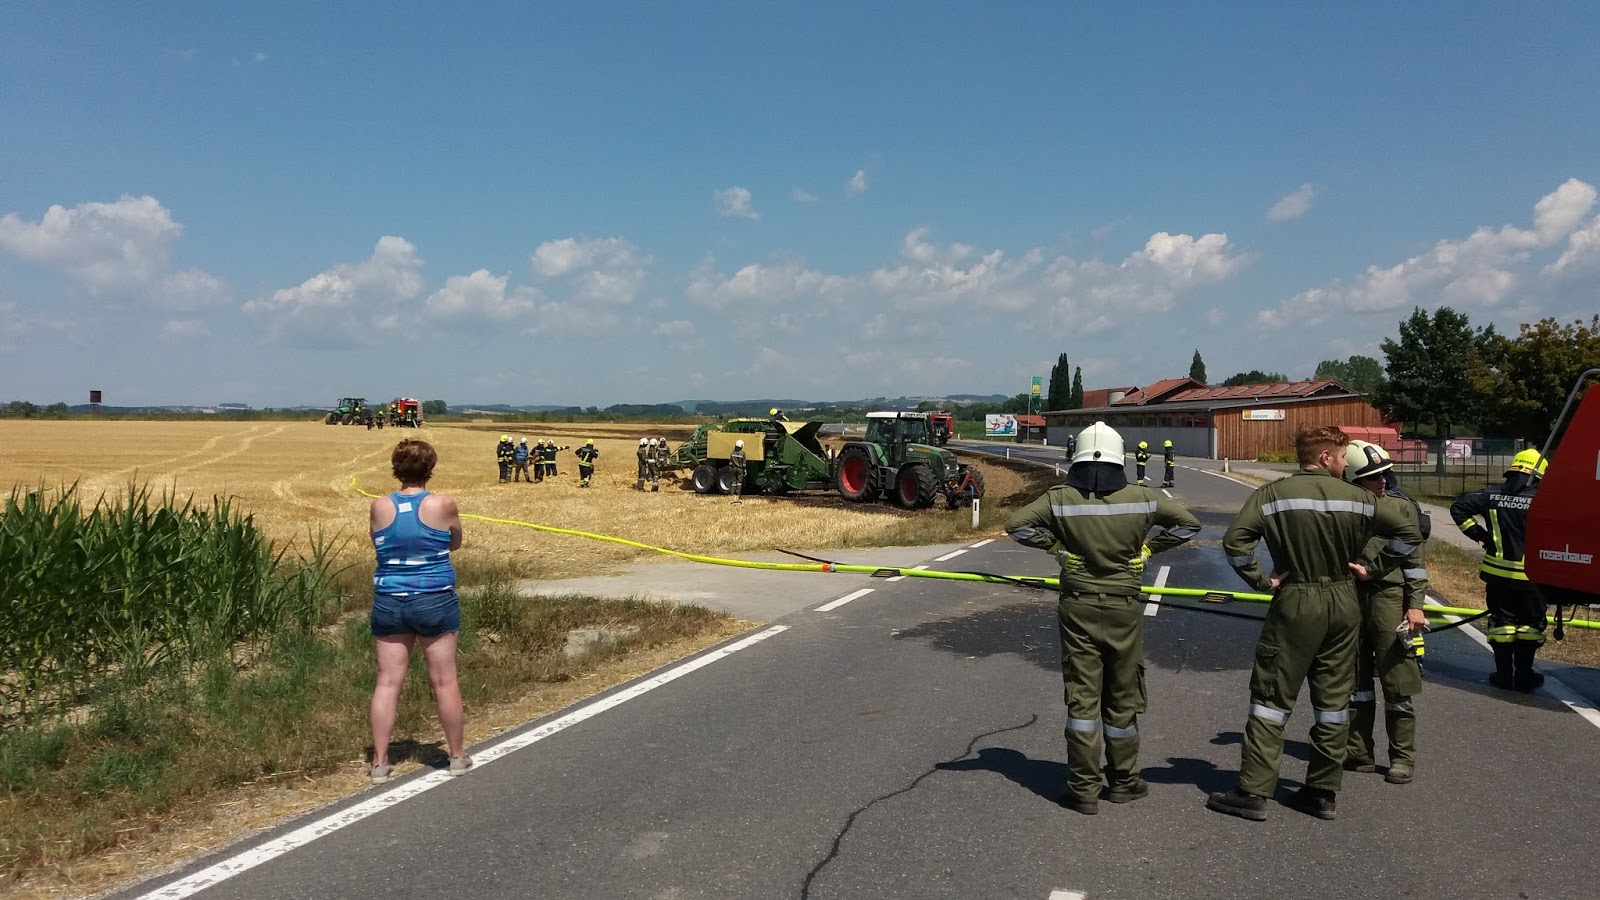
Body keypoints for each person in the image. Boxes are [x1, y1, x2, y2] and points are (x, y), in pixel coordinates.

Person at [1206, 426, 1427, 823]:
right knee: (1333, 702)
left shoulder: (1271, 495)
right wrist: (1374, 570)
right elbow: (1411, 534)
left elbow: (1235, 544)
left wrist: (1262, 580)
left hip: (1297, 600)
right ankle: (1322, 791)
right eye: (1343, 457)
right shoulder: (1362, 499)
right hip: (1345, 603)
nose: (1345, 464)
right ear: (1326, 457)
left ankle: (1254, 791)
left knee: (1272, 699)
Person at [1004, 421, 1201, 815]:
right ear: (1119, 456)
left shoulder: (1059, 499)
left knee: (1083, 696)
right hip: (1124, 607)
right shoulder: (1143, 499)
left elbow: (1016, 526)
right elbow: (1188, 525)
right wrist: (1147, 552)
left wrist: (1058, 550)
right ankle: (1125, 781)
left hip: (1078, 606)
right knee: (1122, 694)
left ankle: (1083, 789)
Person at [368, 439, 471, 782]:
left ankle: (380, 762)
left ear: (396, 469)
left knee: (387, 682)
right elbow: (455, 542)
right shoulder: (444, 504)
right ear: (430, 469)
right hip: (434, 599)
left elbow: (379, 543)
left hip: (389, 599)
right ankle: (456, 756)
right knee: (444, 680)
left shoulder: (379, 506)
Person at [1341, 441, 1430, 785]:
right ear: (1353, 480)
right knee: (1354, 682)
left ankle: (1402, 758)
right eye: (1372, 477)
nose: (1382, 481)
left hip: (1389, 597)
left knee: (1398, 680)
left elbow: (1415, 562)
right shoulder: (1344, 506)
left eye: (1384, 474)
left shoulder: (1401, 507)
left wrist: (1416, 605)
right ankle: (1359, 751)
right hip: (1349, 597)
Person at [1450, 449, 1547, 691]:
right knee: (1529, 626)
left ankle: (1504, 675)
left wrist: (1481, 536)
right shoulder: (1544, 499)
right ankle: (1524, 676)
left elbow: (1458, 508)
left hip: (1497, 576)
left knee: (1502, 623)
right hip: (1531, 579)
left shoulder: (1490, 495)